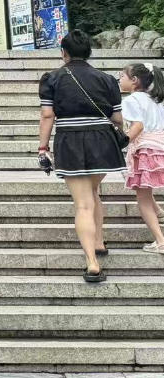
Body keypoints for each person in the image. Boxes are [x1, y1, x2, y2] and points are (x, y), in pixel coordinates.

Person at [38, 30, 126, 282]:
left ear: (63, 52)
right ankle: (98, 241)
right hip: (103, 142)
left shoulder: (52, 79)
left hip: (71, 141)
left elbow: (47, 115)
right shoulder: (107, 80)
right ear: (88, 52)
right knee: (93, 192)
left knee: (83, 204)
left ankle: (92, 263)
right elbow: (117, 118)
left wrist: (42, 148)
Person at [120, 63, 164, 253]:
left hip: (145, 149)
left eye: (122, 76)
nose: (120, 79)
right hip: (159, 146)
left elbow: (137, 126)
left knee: (142, 197)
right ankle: (159, 211)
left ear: (135, 81)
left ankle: (160, 241)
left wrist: (122, 141)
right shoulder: (157, 99)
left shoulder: (132, 100)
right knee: (144, 187)